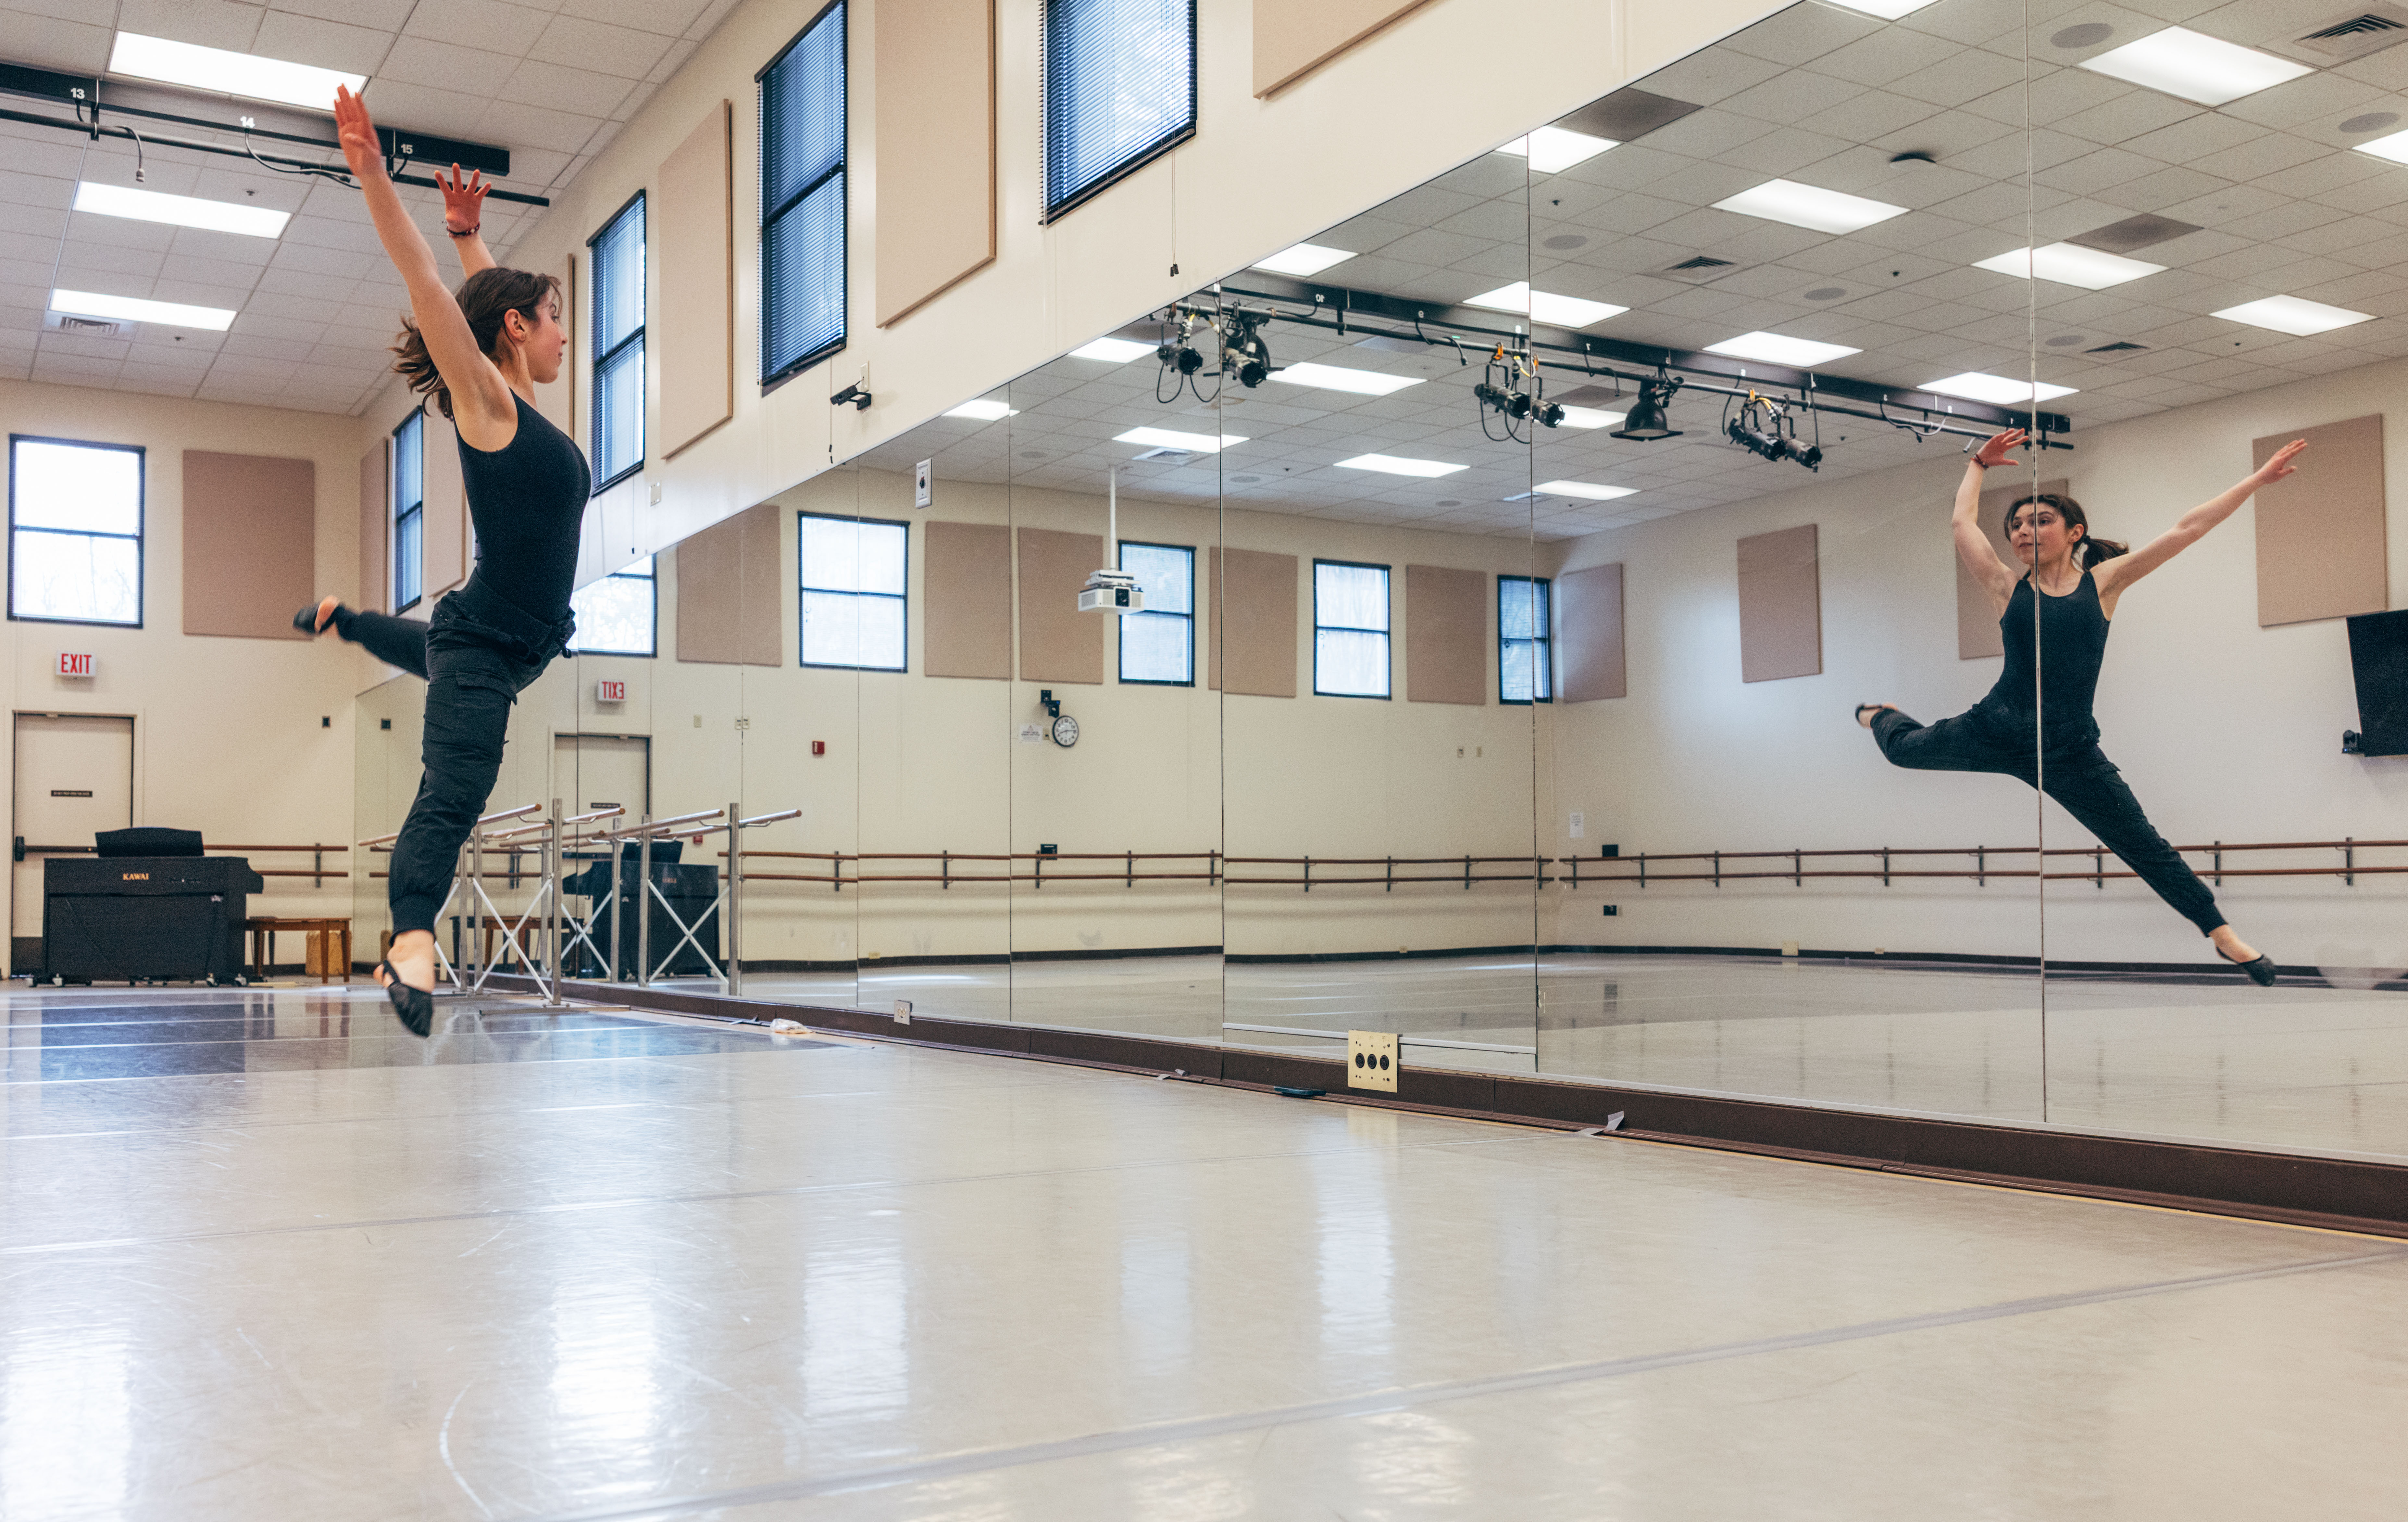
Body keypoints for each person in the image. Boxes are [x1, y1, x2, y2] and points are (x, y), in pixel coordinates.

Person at [296, 87, 587, 1034]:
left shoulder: (516, 403)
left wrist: (472, 238)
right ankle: (411, 942)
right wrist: (373, 176)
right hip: (491, 645)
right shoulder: (488, 407)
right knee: (454, 793)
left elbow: (488, 303)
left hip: (500, 640)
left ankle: (346, 620)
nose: (564, 333)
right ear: (518, 330)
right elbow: (422, 281)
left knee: (431, 648)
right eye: (553, 318)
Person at [1856, 427, 2307, 985]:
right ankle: (1879, 713)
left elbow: (2188, 529)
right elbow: (1961, 526)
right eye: (2016, 525)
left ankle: (2222, 935)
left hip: (2068, 749)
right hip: (1995, 729)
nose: (2024, 531)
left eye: (2039, 521)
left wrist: (2255, 481)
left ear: (2075, 533)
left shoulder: (2104, 584)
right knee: (1901, 751)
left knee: (2142, 845)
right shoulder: (2005, 587)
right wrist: (1978, 466)